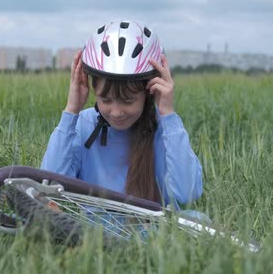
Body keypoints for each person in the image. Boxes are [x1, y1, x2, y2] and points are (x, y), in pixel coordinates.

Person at [41, 20, 202, 209]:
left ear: (149, 91)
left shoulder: (164, 130)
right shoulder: (83, 124)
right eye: (105, 100)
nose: (116, 112)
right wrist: (71, 111)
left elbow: (187, 193)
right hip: (91, 235)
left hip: (155, 234)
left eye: (128, 101)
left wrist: (168, 115)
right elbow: (47, 186)